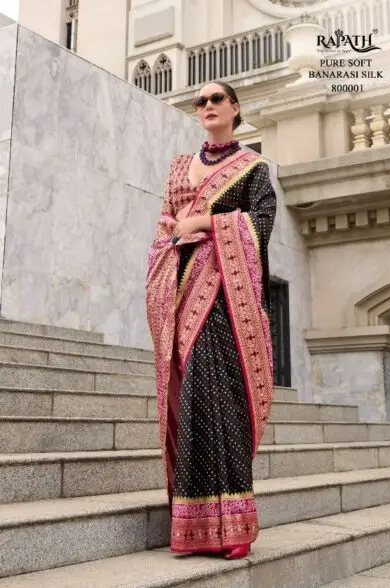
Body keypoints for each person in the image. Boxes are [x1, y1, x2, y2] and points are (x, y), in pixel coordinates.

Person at [146, 81, 277, 559]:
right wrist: (171, 243)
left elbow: (260, 224)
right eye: (200, 101)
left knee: (217, 397)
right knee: (190, 399)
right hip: (179, 289)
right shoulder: (180, 166)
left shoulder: (253, 168)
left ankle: (234, 526)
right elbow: (165, 222)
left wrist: (204, 223)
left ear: (235, 108)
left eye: (216, 99)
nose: (206, 106)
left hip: (223, 296)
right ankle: (195, 525)